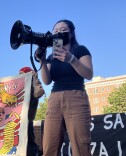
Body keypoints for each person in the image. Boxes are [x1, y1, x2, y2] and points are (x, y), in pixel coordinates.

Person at [35, 19, 93, 156]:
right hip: (54, 98)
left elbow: (89, 74)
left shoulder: (80, 50)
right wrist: (42, 61)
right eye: (55, 31)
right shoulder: (52, 56)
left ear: (71, 34)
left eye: (62, 30)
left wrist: (71, 59)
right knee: (49, 145)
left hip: (76, 97)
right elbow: (47, 80)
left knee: (81, 146)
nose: (58, 33)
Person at [19, 67, 45, 156]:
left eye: (22, 74)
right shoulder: (21, 87)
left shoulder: (32, 86)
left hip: (27, 119)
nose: (20, 76)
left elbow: (39, 92)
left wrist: (34, 77)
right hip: (19, 120)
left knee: (29, 143)